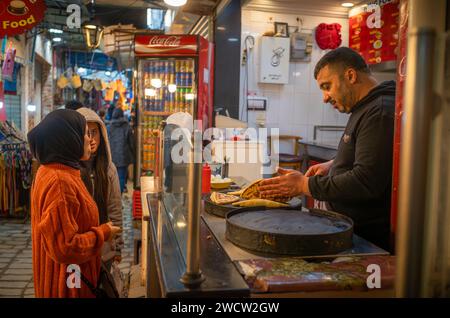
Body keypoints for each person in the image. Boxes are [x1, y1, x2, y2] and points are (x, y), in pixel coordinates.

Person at [259, 47, 395, 251]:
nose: (324, 97)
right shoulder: (365, 108)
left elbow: (365, 182)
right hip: (349, 230)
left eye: (327, 86)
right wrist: (333, 164)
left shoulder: (379, 111)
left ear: (350, 75)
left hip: (367, 240)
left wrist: (304, 185)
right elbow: (371, 157)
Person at [27, 109, 121, 298]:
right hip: (69, 284)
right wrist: (102, 233)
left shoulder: (55, 171)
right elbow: (65, 248)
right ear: (68, 139)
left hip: (69, 277)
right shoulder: (60, 182)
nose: (89, 139)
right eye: (84, 133)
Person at [77, 107, 124, 269]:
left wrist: (117, 246)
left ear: (102, 135)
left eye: (94, 132)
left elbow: (114, 208)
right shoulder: (71, 169)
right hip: (80, 246)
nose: (91, 139)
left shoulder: (108, 169)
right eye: (86, 133)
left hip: (104, 245)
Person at [107, 107, 135, 193]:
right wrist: (134, 154)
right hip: (123, 156)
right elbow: (131, 143)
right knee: (121, 177)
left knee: (111, 177)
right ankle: (119, 196)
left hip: (111, 156)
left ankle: (112, 196)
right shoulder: (127, 127)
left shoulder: (108, 127)